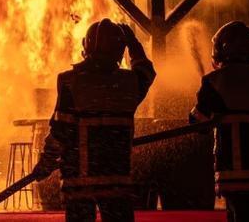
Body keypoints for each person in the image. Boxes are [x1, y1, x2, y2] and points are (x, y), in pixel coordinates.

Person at [31, 18, 156, 222]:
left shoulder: (70, 81)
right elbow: (146, 70)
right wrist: (133, 44)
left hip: (79, 183)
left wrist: (46, 163)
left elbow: (60, 131)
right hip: (116, 181)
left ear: (86, 46)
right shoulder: (129, 83)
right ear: (120, 50)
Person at [189, 21, 249, 222]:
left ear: (220, 50)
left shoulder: (214, 81)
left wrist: (202, 101)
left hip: (234, 171)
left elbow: (199, 123)